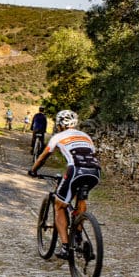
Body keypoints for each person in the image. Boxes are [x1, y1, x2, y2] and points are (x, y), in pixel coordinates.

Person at [28, 110, 101, 260]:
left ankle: (66, 247)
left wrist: (33, 170)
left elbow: (43, 157)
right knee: (80, 198)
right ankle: (78, 234)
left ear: (60, 124)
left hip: (75, 170)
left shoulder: (58, 137)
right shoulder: (86, 136)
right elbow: (91, 155)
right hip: (95, 172)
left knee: (59, 205)